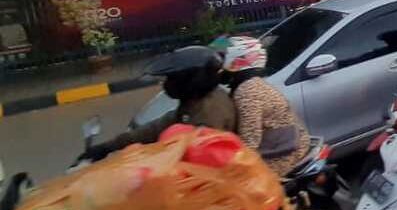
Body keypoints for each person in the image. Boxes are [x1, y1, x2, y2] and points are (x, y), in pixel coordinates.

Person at [79, 45, 236, 161]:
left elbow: (197, 161)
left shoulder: (208, 115)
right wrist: (109, 146)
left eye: (172, 79)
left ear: (191, 80)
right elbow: (158, 127)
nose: (166, 84)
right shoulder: (193, 102)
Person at [219, 36, 311, 177]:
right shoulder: (248, 84)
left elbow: (250, 141)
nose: (219, 64)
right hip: (284, 146)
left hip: (283, 156)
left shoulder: (247, 91)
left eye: (223, 57)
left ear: (238, 59)